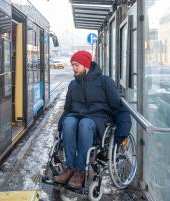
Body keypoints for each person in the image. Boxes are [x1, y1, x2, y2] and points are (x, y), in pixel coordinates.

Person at [53, 50, 131, 189]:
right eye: (72, 65)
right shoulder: (73, 85)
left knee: (85, 123)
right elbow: (67, 109)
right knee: (68, 121)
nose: (74, 68)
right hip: (76, 116)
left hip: (98, 120)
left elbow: (118, 107)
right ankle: (70, 168)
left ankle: (80, 171)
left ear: (85, 65)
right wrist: (60, 127)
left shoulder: (105, 82)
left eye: (76, 65)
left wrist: (123, 128)